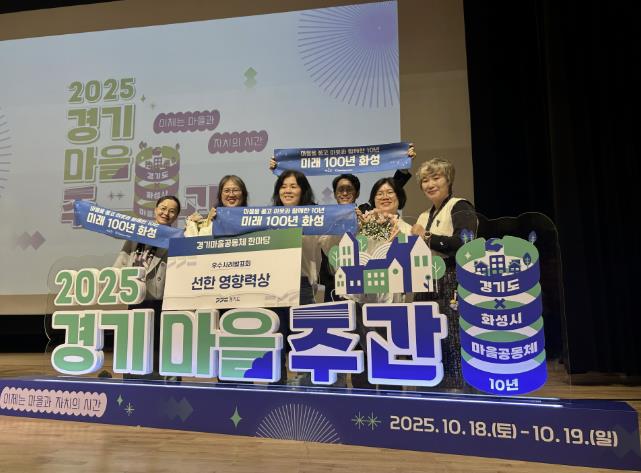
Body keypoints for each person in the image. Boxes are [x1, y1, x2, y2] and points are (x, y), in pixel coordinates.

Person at [410, 157, 477, 390]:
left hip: (451, 280)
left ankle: (460, 392)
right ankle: (432, 390)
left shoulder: (460, 206)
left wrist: (427, 237)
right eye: (425, 180)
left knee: (453, 339)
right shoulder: (422, 216)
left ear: (448, 179)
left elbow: (466, 242)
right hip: (425, 283)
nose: (430, 184)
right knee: (429, 339)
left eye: (436, 178)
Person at [107, 195, 182, 380]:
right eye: (163, 208)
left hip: (159, 298)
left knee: (158, 342)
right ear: (155, 209)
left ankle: (158, 381)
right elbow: (123, 258)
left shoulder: (177, 237)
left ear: (176, 216)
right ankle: (131, 380)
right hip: (134, 295)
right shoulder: (138, 231)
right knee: (133, 341)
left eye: (172, 211)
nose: (166, 213)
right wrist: (112, 281)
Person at [270, 170, 322, 384]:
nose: (287, 190)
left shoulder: (314, 216)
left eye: (293, 186)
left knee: (304, 340)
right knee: (275, 341)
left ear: (303, 190)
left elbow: (326, 244)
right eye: (283, 186)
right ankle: (276, 386)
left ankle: (305, 388)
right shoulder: (267, 218)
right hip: (272, 286)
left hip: (301, 284)